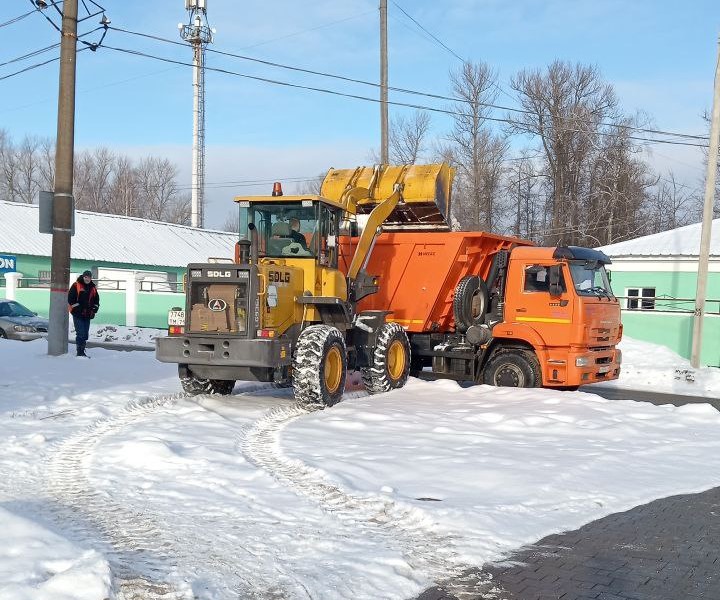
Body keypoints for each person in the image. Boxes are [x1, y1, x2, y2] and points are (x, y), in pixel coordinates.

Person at [68, 270, 100, 357]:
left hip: (88, 315)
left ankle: (82, 350)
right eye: (86, 277)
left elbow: (96, 300)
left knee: (85, 334)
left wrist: (95, 308)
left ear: (91, 278)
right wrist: (77, 309)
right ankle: (80, 352)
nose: (87, 279)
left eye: (89, 277)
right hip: (78, 314)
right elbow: (71, 299)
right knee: (80, 333)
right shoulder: (76, 285)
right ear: (83, 277)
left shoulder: (93, 288)